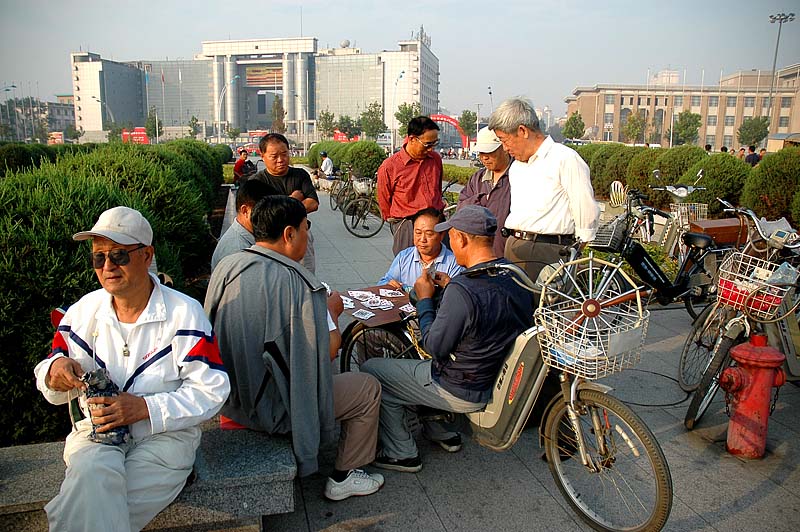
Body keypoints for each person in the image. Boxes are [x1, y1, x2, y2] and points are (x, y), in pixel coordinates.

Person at [34, 206, 230, 531]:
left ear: (147, 255)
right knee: (94, 479)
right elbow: (51, 370)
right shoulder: (82, 313)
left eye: (119, 255)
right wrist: (54, 371)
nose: (108, 266)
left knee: (82, 508)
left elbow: (212, 390)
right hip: (96, 436)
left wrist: (144, 408)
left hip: (164, 441)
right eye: (99, 257)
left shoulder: (185, 313)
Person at [205, 195, 385, 501]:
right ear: (289, 234)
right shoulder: (296, 284)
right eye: (306, 227)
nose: (308, 234)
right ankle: (345, 475)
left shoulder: (229, 265)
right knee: (367, 387)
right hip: (272, 408)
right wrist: (332, 312)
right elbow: (324, 354)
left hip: (230, 397)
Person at [362, 206, 534, 473]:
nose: (448, 243)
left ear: (462, 239)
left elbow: (434, 347)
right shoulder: (512, 273)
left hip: (461, 387)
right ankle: (437, 428)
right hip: (493, 375)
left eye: (450, 237)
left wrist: (425, 300)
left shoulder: (464, 288)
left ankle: (402, 452)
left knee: (374, 370)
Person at [488, 97, 600, 286]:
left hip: (547, 251)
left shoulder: (564, 159)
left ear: (522, 131)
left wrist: (575, 251)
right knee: (514, 309)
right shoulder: (517, 166)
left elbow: (585, 208)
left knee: (541, 310)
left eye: (505, 141)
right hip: (514, 246)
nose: (505, 148)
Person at [249, 133, 319, 273]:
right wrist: (293, 200)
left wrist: (279, 209)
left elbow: (313, 203)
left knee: (306, 275)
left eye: (284, 154)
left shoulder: (300, 175)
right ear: (262, 156)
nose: (281, 160)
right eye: (274, 156)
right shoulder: (256, 182)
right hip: (272, 242)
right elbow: (262, 217)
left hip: (300, 235)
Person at [377, 116, 445, 256]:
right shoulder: (390, 166)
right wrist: (399, 223)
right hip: (407, 225)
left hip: (435, 224)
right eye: (427, 144)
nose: (431, 148)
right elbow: (384, 200)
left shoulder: (435, 159)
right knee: (408, 269)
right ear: (412, 139)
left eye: (434, 143)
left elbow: (437, 189)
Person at [457, 127, 512, 257]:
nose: (484, 158)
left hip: (509, 253)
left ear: (504, 148)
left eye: (489, 152)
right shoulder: (477, 179)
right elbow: (461, 209)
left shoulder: (518, 177)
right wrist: (480, 200)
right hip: (479, 255)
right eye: (481, 153)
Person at [377, 208, 463, 291]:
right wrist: (388, 285)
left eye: (429, 234)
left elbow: (459, 297)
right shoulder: (404, 256)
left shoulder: (454, 263)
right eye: (418, 233)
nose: (422, 239)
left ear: (441, 235)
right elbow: (383, 283)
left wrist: (448, 286)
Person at [211, 179, 280, 271]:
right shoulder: (239, 253)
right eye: (265, 211)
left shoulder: (248, 239)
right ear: (245, 210)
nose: (270, 217)